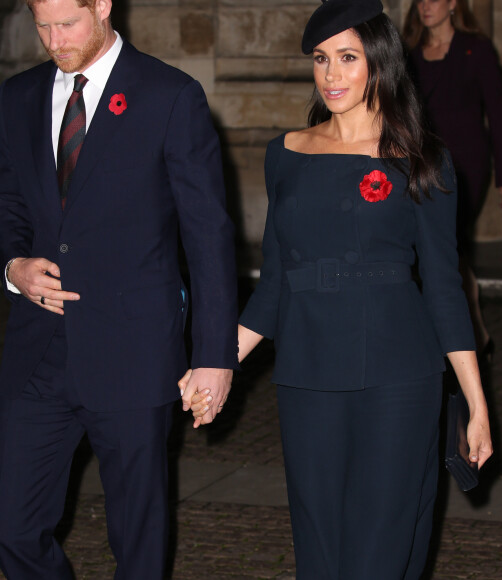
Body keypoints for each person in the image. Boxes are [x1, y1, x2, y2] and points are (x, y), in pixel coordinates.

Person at [181, 1, 493, 578]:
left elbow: (445, 289)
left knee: (380, 547)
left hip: (399, 376)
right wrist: (216, 365)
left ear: (380, 63)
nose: (331, 75)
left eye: (348, 58)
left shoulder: (423, 158)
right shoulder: (287, 154)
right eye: (322, 60)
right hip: (308, 375)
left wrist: (477, 404)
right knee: (319, 548)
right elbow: (274, 285)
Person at [0, 0, 238, 576]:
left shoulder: (170, 96)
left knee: (137, 539)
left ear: (103, 5)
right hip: (39, 355)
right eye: (42, 26)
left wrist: (214, 358)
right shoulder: (17, 97)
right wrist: (13, 267)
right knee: (11, 527)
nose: (54, 41)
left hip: (134, 353)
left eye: (68, 23)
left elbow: (208, 238)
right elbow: (6, 203)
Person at [403, 0, 502, 356]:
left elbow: (498, 114)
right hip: (424, 163)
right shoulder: (409, 53)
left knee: (448, 245)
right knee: (444, 249)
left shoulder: (476, 49)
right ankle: (475, 331)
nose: (426, 6)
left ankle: (460, 335)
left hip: (468, 165)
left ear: (453, 4)